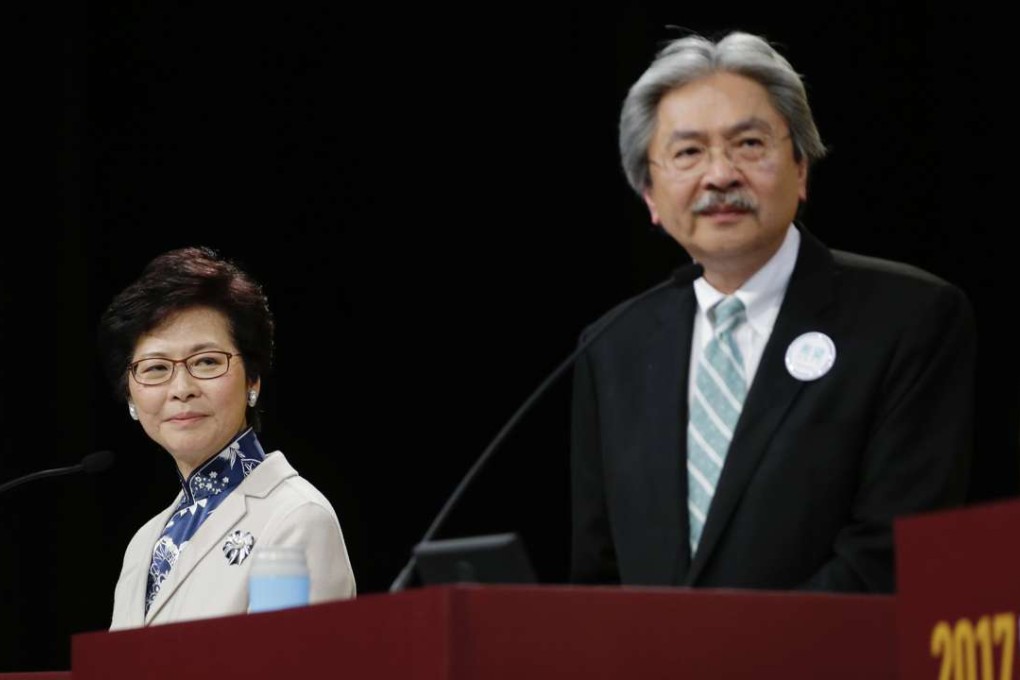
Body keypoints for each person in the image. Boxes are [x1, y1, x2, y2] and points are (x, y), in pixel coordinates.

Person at [570, 31, 975, 592]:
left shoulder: (909, 320)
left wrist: (743, 644)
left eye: (749, 144)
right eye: (688, 152)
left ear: (800, 168)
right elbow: (599, 571)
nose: (720, 175)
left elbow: (889, 552)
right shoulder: (613, 345)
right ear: (651, 195)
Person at [98, 246, 355, 628]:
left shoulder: (296, 517)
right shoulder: (143, 543)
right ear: (131, 397)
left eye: (206, 362)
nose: (181, 389)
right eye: (155, 368)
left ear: (253, 380)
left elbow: (294, 659)